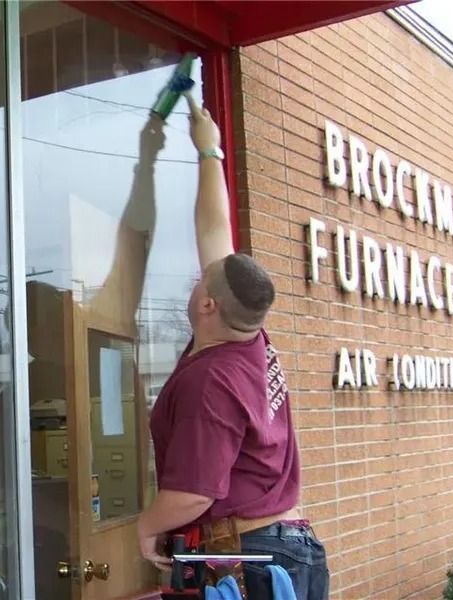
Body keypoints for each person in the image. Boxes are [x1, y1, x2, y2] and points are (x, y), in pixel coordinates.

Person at [137, 95, 329, 600]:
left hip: (251, 563)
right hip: (285, 547)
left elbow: (193, 493)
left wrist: (145, 526)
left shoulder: (210, 381)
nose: (197, 276)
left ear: (207, 306)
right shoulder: (249, 338)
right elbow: (214, 229)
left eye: (202, 280)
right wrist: (209, 151)